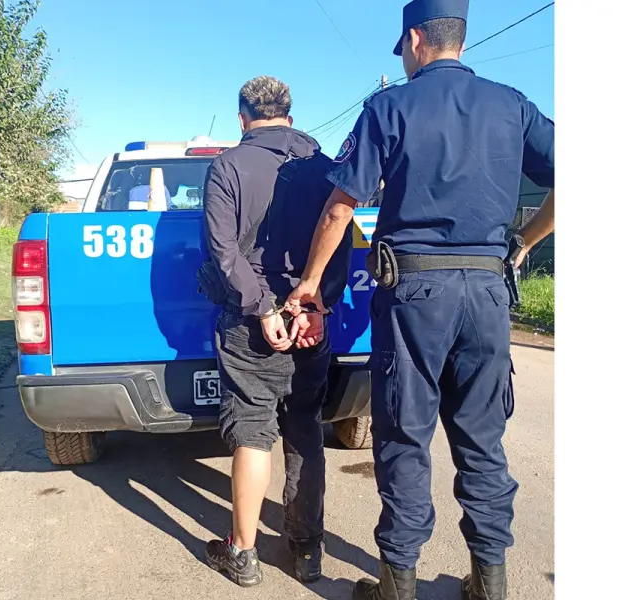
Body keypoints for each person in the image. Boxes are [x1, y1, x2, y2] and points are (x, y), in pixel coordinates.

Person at [284, 1, 555, 599]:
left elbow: (340, 206)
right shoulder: (513, 104)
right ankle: (490, 584)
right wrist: (524, 241)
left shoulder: (389, 106)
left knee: (405, 435)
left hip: (415, 296)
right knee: (483, 439)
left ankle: (397, 587)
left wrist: (309, 284)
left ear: (414, 40)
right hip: (488, 293)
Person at [201, 75, 352, 588]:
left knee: (252, 430)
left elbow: (223, 252)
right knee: (305, 428)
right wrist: (319, 306)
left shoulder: (227, 167)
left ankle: (242, 553)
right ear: (289, 113)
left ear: (243, 117)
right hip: (310, 319)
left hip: (252, 323)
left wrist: (263, 305)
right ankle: (307, 550)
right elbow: (340, 237)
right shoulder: (324, 166)